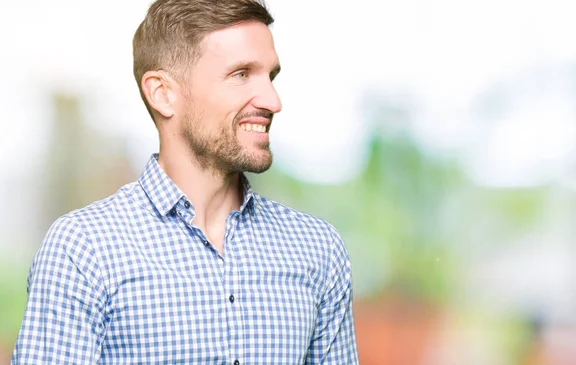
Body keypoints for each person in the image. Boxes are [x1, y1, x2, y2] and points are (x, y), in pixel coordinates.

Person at [11, 0, 358, 364]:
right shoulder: (84, 250)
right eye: (241, 74)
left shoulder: (319, 250)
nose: (273, 100)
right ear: (163, 93)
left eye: (270, 77)